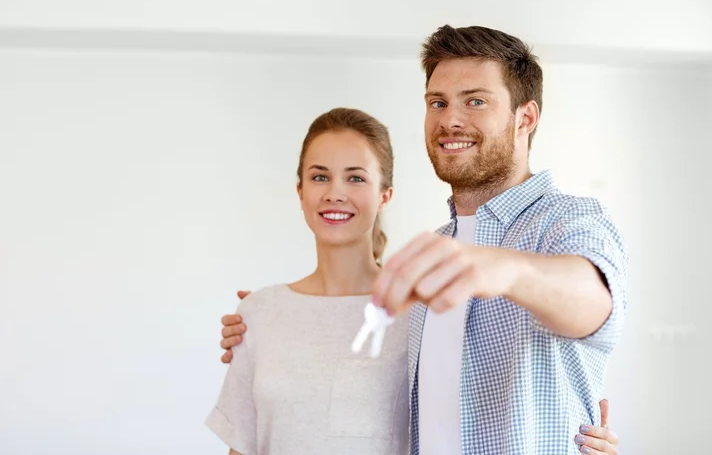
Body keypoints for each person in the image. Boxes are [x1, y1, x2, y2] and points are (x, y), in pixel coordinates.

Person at [217, 25, 627, 455]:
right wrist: (272, 319)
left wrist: (503, 269)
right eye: (438, 102)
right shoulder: (437, 253)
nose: (450, 119)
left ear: (525, 118)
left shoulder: (569, 221)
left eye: (476, 101)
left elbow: (597, 302)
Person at [206, 108, 409, 455]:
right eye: (320, 177)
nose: (335, 193)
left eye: (355, 178)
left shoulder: (417, 314)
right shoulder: (258, 314)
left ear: (384, 195)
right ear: (300, 192)